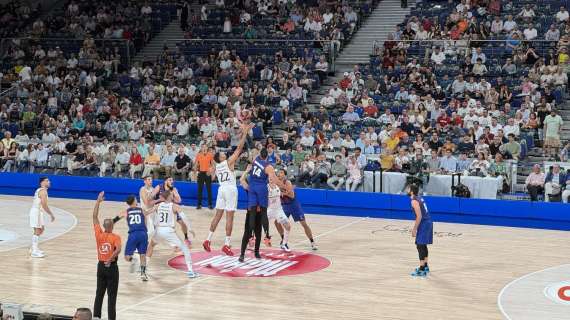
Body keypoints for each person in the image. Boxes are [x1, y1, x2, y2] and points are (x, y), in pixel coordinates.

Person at [204, 123, 251, 256]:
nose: (224, 154)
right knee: (229, 217)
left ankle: (207, 240)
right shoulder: (228, 162)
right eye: (222, 154)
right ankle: (226, 244)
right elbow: (240, 148)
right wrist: (245, 133)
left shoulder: (217, 167)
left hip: (221, 190)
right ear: (221, 158)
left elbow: (209, 174)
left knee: (218, 215)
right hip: (230, 189)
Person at [238, 148, 286, 262]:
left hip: (254, 212)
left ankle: (255, 252)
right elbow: (272, 179)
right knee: (250, 232)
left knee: (253, 232)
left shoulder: (253, 186)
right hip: (255, 212)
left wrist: (246, 170)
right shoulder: (264, 186)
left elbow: (242, 180)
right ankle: (244, 252)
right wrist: (282, 186)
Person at [150, 190, 199, 278]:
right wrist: (190, 229)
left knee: (151, 246)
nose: (173, 195)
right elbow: (184, 218)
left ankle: (142, 267)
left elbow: (149, 213)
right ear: (169, 197)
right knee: (185, 249)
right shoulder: (175, 206)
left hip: (159, 230)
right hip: (169, 231)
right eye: (172, 194)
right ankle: (191, 271)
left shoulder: (158, 205)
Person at [92, 192, 121, 320]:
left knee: (99, 294)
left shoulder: (98, 234)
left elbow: (94, 216)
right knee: (112, 296)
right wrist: (110, 259)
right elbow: (118, 249)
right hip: (112, 267)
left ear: (103, 226)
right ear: (112, 226)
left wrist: (98, 201)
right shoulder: (115, 237)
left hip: (100, 266)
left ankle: (96, 317)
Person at [278, 170, 318, 250]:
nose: (279, 173)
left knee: (304, 224)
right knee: (277, 222)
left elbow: (292, 196)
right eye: (279, 172)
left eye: (281, 172)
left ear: (285, 175)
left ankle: (312, 242)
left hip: (294, 206)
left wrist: (282, 193)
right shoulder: (277, 183)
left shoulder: (287, 182)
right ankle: (283, 239)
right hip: (284, 206)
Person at [117, 195, 153, 281]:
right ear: (134, 201)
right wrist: (157, 206)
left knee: (126, 256)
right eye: (136, 199)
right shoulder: (141, 210)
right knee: (143, 255)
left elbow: (115, 219)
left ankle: (133, 260)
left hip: (133, 235)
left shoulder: (126, 212)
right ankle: (143, 274)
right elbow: (150, 211)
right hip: (143, 234)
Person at [408, 184, 433, 277]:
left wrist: (414, 229)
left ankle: (422, 269)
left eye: (408, 189)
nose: (407, 190)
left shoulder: (414, 201)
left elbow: (419, 216)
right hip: (428, 222)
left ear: (411, 191)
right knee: (423, 245)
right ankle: (425, 266)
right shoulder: (419, 198)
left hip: (424, 223)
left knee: (419, 245)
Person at [29, 177, 55, 258]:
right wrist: (51, 214)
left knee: (41, 229)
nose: (49, 182)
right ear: (42, 182)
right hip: (36, 211)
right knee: (37, 230)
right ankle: (34, 251)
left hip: (38, 212)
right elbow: (44, 205)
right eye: (47, 181)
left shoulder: (42, 190)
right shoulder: (43, 191)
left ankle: (33, 248)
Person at [194, 144, 214, 209]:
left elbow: (213, 164)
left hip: (208, 173)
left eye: (205, 147)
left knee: (209, 190)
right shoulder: (198, 155)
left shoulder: (210, 155)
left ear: (207, 148)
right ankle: (199, 205)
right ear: (201, 148)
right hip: (201, 173)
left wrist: (212, 173)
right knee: (200, 190)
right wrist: (195, 172)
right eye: (203, 147)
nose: (204, 148)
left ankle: (210, 204)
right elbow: (196, 164)